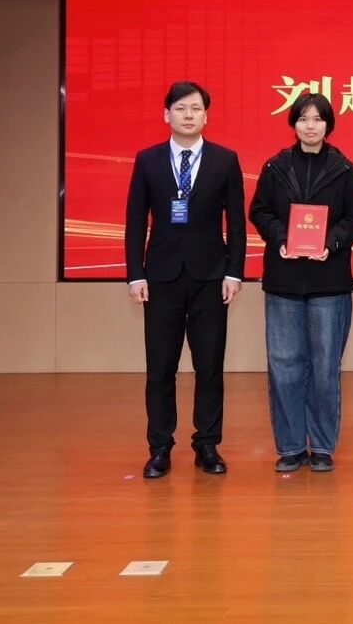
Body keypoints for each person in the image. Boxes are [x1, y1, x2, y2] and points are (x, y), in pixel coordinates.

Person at [125, 81, 246, 479]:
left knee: (209, 365)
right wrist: (135, 274)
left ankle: (207, 444)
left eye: (195, 108)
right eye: (180, 108)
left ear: (206, 115)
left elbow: (236, 224)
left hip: (212, 277)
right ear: (167, 115)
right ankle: (159, 447)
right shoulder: (148, 160)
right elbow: (135, 221)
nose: (188, 115)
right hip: (161, 277)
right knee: (160, 367)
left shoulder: (225, 160)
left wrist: (234, 272)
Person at [249, 92, 353, 474]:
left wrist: (331, 242)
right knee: (284, 365)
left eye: (318, 119)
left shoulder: (344, 169)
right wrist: (281, 237)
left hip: (329, 282)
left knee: (324, 367)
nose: (310, 125)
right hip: (283, 281)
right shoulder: (275, 167)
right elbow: (260, 211)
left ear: (328, 124)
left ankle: (322, 446)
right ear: (294, 124)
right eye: (303, 119)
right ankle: (290, 446)